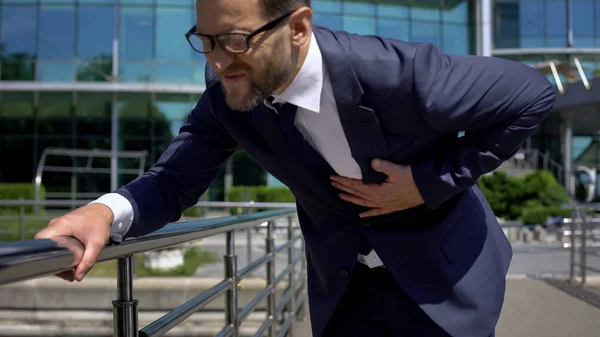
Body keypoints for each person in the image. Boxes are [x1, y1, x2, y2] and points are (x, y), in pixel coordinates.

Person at [35, 0, 557, 336]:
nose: (218, 61)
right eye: (207, 41)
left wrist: (424, 184)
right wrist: (104, 212)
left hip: (445, 284)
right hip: (344, 292)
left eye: (236, 40)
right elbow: (174, 180)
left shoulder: (403, 75)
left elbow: (533, 94)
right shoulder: (227, 98)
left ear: (298, 27)